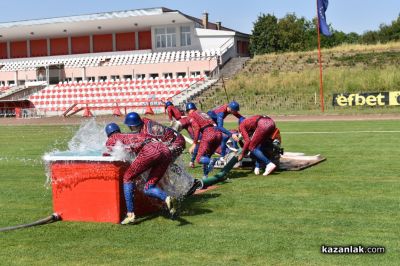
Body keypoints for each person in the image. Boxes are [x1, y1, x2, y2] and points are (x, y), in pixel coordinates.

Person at [104, 123, 177, 225]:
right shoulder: (131, 134)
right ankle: (166, 198)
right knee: (148, 188)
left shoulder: (112, 138)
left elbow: (108, 153)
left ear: (108, 133)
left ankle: (130, 214)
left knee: (127, 177)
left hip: (150, 151)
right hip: (165, 150)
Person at [186, 102, 222, 178]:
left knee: (199, 159)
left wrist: (194, 143)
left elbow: (197, 128)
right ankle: (205, 176)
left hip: (209, 133)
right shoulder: (201, 112)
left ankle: (212, 161)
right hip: (218, 134)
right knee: (206, 156)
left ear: (188, 111)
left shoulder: (192, 115)